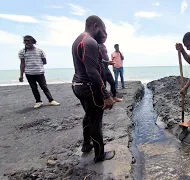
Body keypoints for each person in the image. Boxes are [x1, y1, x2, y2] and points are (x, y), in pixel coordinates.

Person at [71, 15, 116, 163]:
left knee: (88, 116)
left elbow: (90, 61)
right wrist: (105, 94)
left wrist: (105, 62)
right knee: (96, 121)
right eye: (102, 31)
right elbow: (92, 72)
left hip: (77, 86)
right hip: (89, 88)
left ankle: (86, 144)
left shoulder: (79, 40)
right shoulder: (90, 42)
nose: (103, 35)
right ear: (95, 26)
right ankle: (99, 155)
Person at [18, 35, 60, 109]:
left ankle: (51, 100)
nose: (26, 42)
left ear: (33, 41)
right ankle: (38, 102)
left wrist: (37, 65)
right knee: (34, 88)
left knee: (44, 87)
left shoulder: (39, 51)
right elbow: (22, 64)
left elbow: (44, 61)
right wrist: (21, 75)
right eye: (25, 41)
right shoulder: (22, 51)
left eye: (28, 41)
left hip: (39, 72)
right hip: (29, 73)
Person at [99, 36, 123, 102]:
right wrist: (107, 62)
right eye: (103, 37)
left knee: (112, 82)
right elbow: (97, 58)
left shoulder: (103, 45)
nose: (105, 38)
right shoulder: (96, 44)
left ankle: (114, 97)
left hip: (106, 68)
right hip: (101, 68)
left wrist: (108, 62)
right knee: (103, 84)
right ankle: (104, 100)